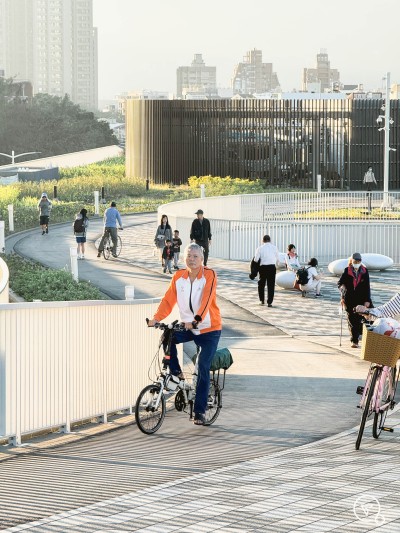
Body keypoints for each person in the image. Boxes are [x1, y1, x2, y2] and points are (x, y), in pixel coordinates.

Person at [148, 243, 222, 426]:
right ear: (183, 257)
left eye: (196, 256)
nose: (192, 259)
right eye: (189, 256)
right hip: (188, 327)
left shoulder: (209, 275)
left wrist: (196, 320)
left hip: (209, 329)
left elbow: (206, 300)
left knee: (203, 367)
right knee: (168, 336)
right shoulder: (179, 276)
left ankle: (200, 412)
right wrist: (156, 318)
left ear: (202, 259)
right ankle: (177, 374)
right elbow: (168, 300)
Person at [338, 252, 372, 348]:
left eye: (359, 261)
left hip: (362, 299)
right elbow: (340, 282)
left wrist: (367, 300)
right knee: (352, 319)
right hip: (349, 298)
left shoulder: (365, 271)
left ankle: (361, 335)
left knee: (362, 318)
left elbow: (367, 287)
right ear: (351, 261)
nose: (357, 262)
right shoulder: (347, 270)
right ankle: (354, 340)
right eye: (355, 261)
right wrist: (341, 287)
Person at [253, 235, 280, 307]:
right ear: (270, 240)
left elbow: (256, 259)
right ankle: (269, 302)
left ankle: (262, 301)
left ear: (263, 240)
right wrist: (276, 266)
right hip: (272, 267)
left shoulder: (260, 248)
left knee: (261, 284)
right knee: (271, 285)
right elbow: (278, 259)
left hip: (263, 268)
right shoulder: (275, 248)